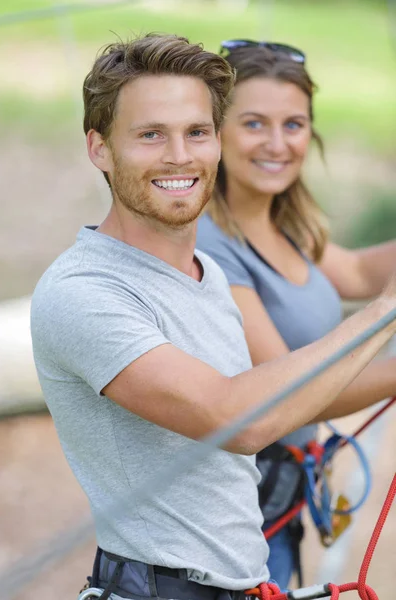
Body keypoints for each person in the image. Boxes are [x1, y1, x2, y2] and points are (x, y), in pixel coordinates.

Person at [30, 34, 396, 600]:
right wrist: (385, 313)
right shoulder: (83, 291)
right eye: (151, 134)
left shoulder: (207, 271)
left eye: (196, 132)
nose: (180, 155)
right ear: (99, 148)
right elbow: (239, 421)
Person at [196, 40, 396, 590]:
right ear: (214, 131)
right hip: (242, 509)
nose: (278, 144)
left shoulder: (281, 219)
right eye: (255, 123)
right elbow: (292, 393)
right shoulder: (211, 242)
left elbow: (355, 272)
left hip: (282, 494)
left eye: (295, 124)